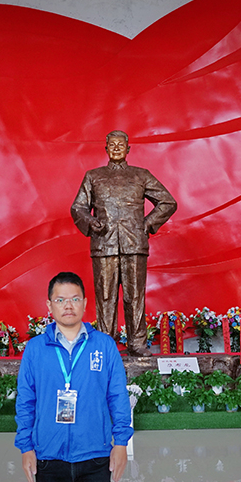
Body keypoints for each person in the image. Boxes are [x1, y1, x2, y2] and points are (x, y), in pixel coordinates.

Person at [15, 272, 133, 482]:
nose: (68, 306)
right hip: (48, 456)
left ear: (85, 303)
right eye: (60, 300)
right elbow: (26, 400)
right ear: (49, 305)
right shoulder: (35, 348)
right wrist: (26, 447)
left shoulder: (104, 345)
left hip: (96, 456)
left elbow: (117, 396)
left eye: (75, 299)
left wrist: (121, 443)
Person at [70, 130, 177, 356]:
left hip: (134, 243)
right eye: (112, 144)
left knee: (135, 295)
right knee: (105, 296)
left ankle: (137, 343)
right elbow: (78, 207)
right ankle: (105, 344)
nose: (117, 148)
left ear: (128, 149)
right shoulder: (93, 176)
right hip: (104, 244)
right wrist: (90, 221)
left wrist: (146, 224)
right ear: (106, 148)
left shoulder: (141, 175)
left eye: (121, 144)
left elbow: (167, 202)